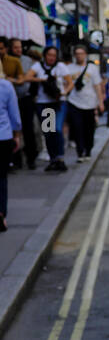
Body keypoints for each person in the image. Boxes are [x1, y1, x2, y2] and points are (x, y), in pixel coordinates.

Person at [61, 44, 103, 162]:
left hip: (90, 103)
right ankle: (80, 152)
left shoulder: (92, 69)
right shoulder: (69, 69)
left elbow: (97, 86)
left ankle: (88, 150)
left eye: (81, 53)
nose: (79, 56)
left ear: (85, 55)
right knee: (77, 128)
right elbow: (64, 83)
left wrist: (100, 103)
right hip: (74, 102)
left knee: (89, 129)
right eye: (77, 53)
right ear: (74, 55)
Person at [31, 46, 67, 172]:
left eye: (54, 55)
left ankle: (60, 158)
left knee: (57, 129)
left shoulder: (61, 67)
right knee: (48, 132)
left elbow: (70, 83)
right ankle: (53, 159)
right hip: (44, 103)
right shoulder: (38, 66)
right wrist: (41, 79)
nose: (51, 57)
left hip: (58, 102)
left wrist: (64, 92)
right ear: (45, 55)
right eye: (49, 55)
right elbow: (25, 78)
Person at [0, 73, 22, 230]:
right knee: (1, 177)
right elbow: (15, 116)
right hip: (3, 137)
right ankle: (1, 214)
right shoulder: (6, 86)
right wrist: (17, 134)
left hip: (48, 109)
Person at [12, 40, 38, 170]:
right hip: (17, 100)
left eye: (20, 47)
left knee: (32, 129)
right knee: (16, 129)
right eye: (16, 47)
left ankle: (35, 157)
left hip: (46, 103)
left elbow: (28, 79)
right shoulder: (8, 61)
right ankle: (17, 160)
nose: (19, 49)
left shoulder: (28, 61)